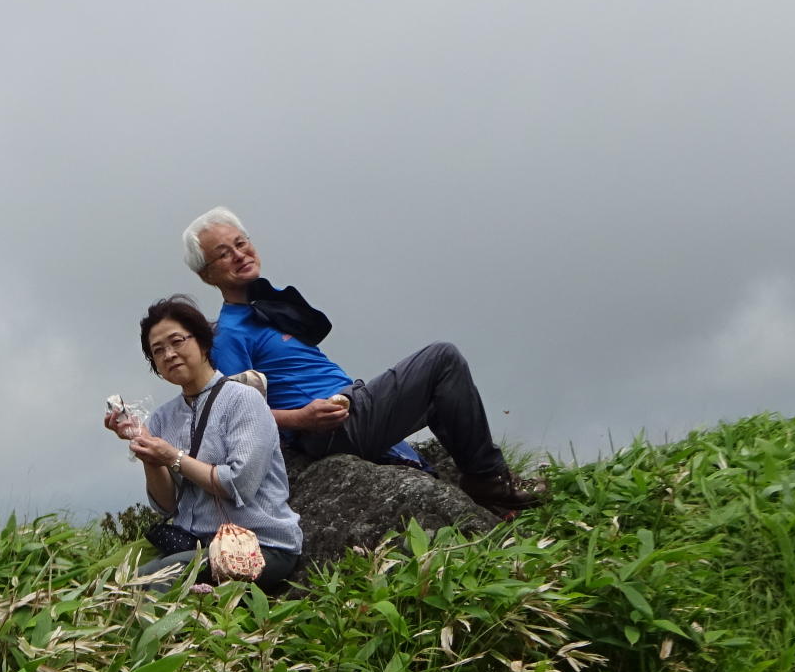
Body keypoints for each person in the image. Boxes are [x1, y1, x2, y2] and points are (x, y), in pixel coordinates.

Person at [183, 206, 544, 516]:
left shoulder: (268, 312)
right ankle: (488, 478)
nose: (239, 254)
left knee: (440, 391)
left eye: (241, 243)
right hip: (329, 427)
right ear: (207, 274)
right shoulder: (229, 334)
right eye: (223, 253)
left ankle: (483, 481)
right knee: (442, 359)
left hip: (348, 408)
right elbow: (235, 415)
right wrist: (302, 419)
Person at [110, 296, 302, 589]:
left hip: (262, 546)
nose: (169, 354)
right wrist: (147, 450)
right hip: (201, 548)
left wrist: (173, 456)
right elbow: (167, 505)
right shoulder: (163, 417)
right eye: (157, 351)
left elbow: (239, 483)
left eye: (177, 341)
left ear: (202, 341)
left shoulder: (243, 400)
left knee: (157, 581)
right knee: (122, 585)